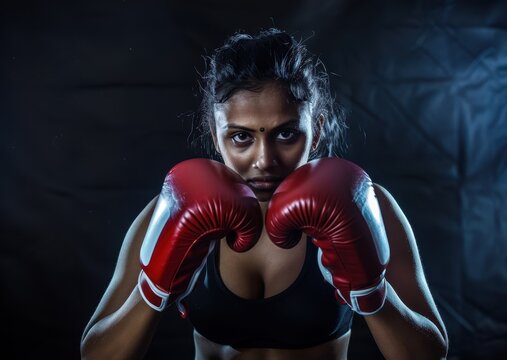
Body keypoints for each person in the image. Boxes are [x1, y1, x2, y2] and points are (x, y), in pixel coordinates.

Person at [80, 28, 449, 360]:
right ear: (214, 133)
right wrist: (153, 290)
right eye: (241, 137)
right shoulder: (175, 207)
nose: (264, 160)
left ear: (315, 129)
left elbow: (430, 353)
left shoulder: (364, 205)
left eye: (286, 134)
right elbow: (95, 354)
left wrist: (372, 292)